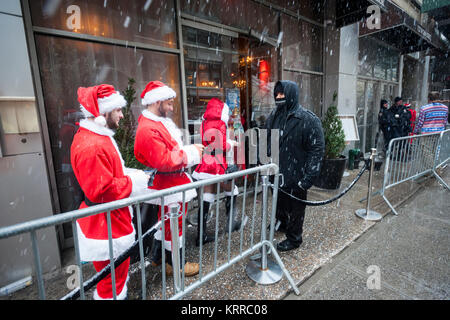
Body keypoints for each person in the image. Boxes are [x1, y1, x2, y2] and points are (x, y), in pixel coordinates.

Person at [71, 84, 150, 300]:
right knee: (111, 284)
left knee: (115, 279)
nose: (122, 115)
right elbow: (102, 191)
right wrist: (135, 182)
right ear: (102, 112)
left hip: (109, 222)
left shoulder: (97, 137)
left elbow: (112, 173)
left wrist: (133, 176)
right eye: (118, 110)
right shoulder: (92, 145)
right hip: (106, 225)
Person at [134, 80, 203, 277]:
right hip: (169, 182)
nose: (172, 108)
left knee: (168, 222)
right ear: (157, 102)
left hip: (171, 181)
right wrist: (191, 152)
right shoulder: (149, 128)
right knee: (174, 225)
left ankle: (158, 257)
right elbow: (164, 160)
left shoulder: (155, 123)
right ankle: (176, 265)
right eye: (169, 103)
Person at [265, 80, 325, 252]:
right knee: (279, 203)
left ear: (291, 94)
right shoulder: (275, 115)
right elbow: (267, 137)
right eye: (276, 94)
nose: (278, 97)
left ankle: (294, 238)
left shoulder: (308, 119)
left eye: (282, 94)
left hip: (297, 174)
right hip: (277, 171)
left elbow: (317, 149)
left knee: (297, 209)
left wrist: (308, 177)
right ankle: (282, 223)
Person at [191, 98, 248, 246]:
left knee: (207, 194)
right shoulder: (220, 123)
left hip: (206, 162)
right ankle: (231, 223)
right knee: (232, 189)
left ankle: (201, 235)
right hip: (217, 163)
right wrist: (231, 143)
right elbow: (221, 145)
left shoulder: (204, 122)